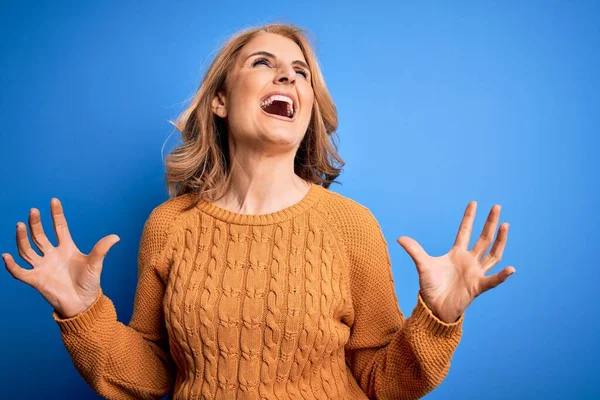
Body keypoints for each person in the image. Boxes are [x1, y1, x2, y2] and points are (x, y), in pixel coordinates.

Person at [3, 23, 515, 399]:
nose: (287, 78)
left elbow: (382, 382)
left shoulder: (350, 226)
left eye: (300, 73)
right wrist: (83, 313)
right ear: (221, 101)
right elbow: (153, 374)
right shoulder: (170, 226)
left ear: (309, 106)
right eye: (263, 63)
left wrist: (438, 318)